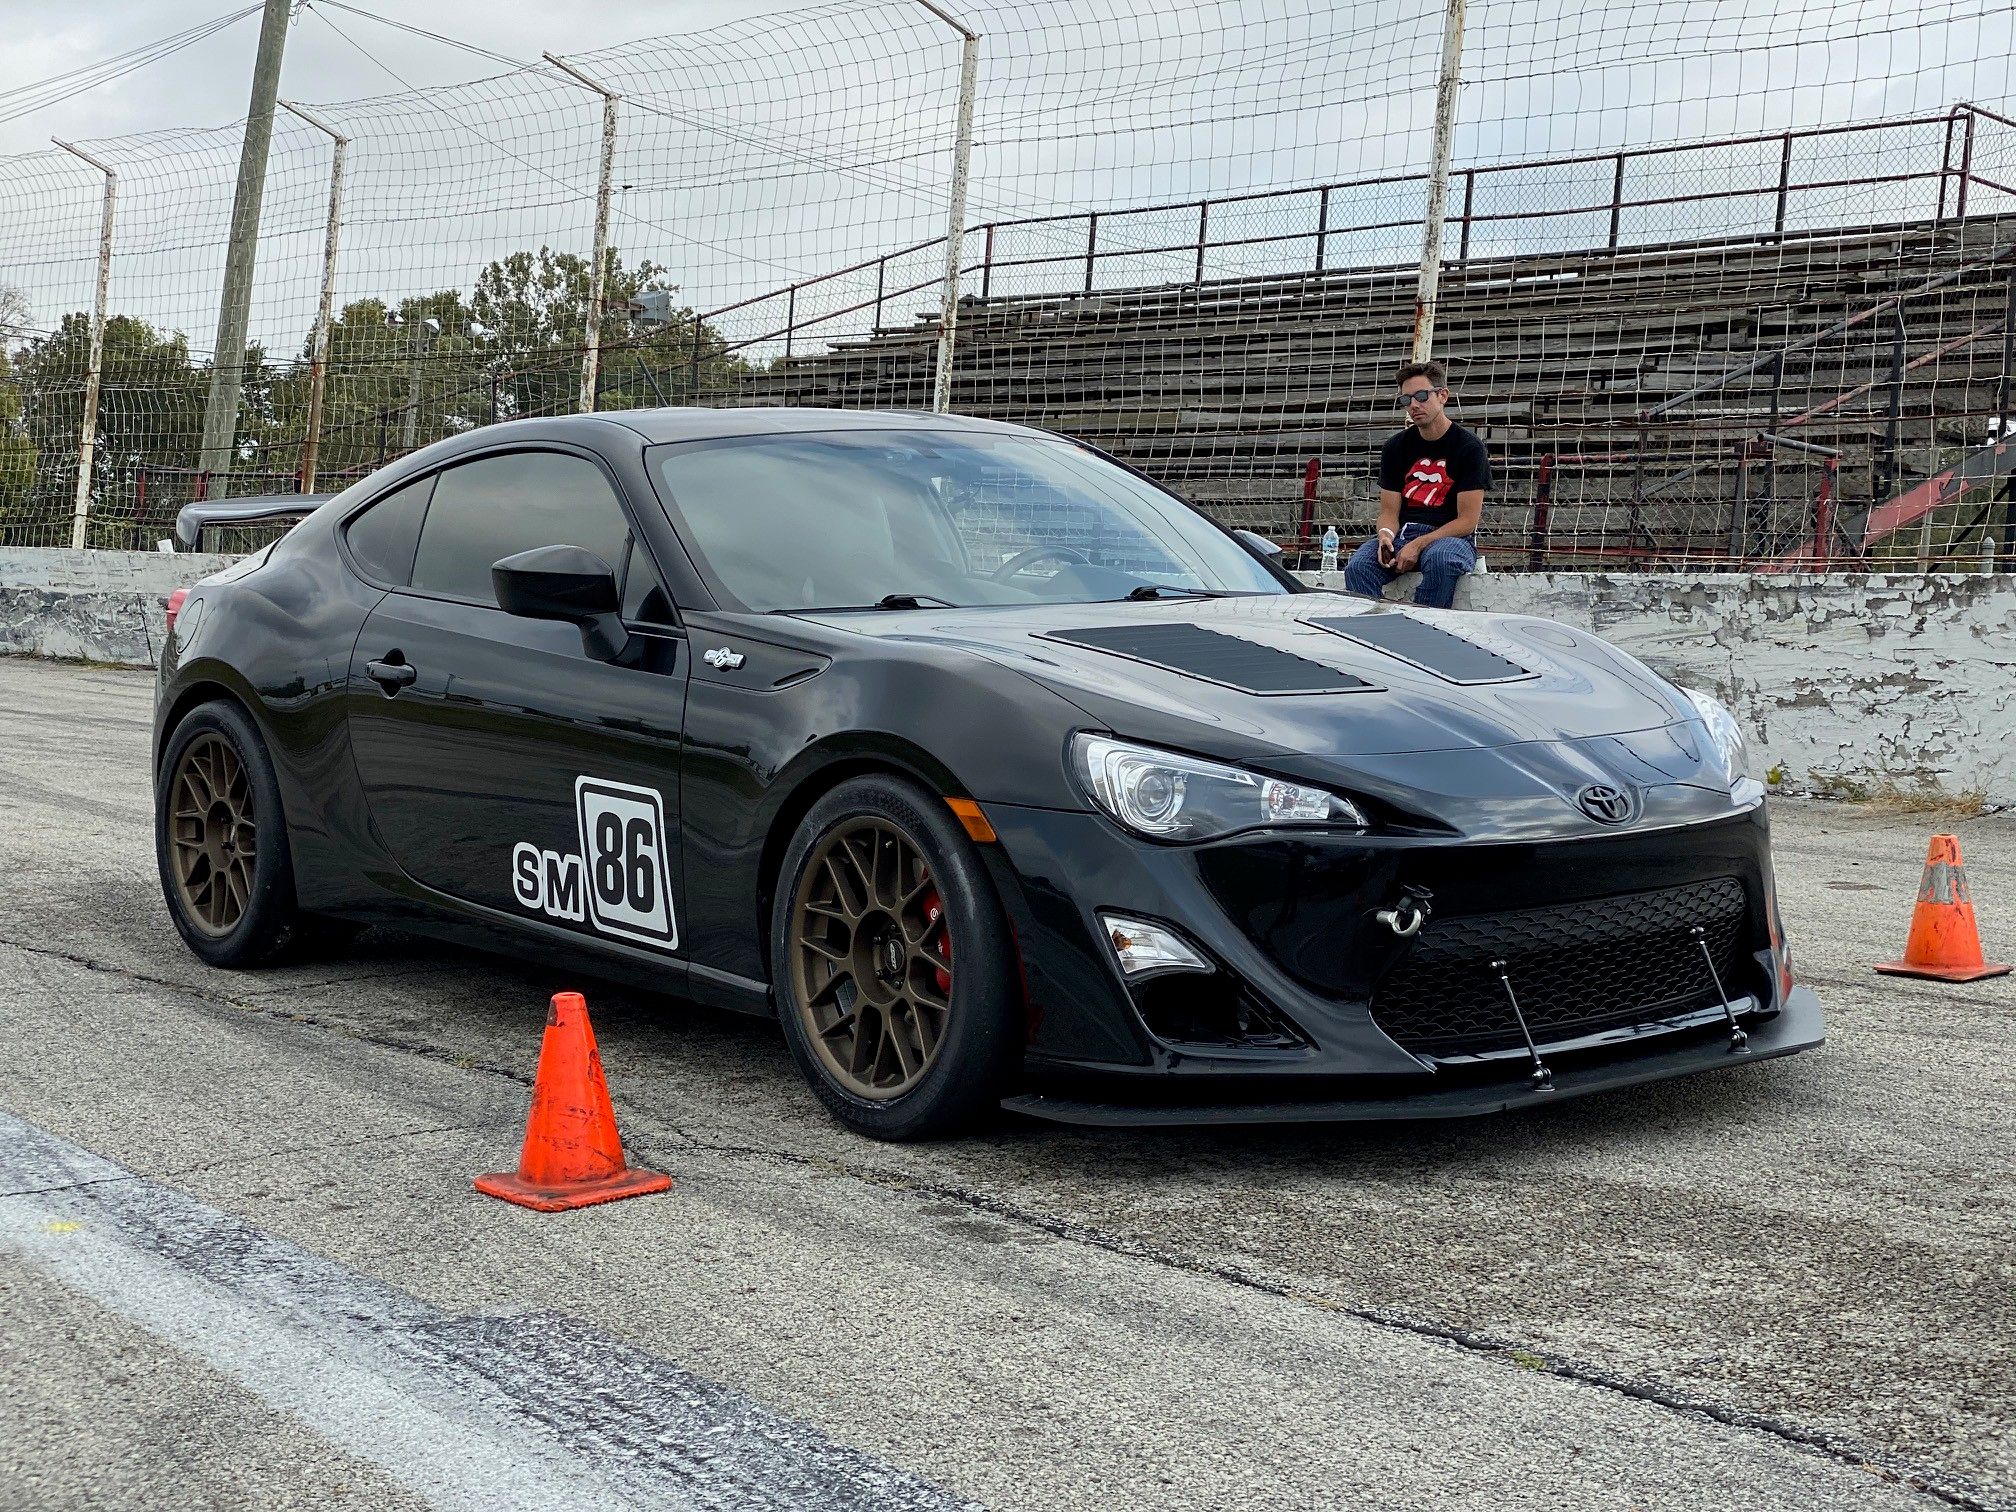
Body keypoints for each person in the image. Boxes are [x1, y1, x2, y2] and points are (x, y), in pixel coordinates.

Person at [1344, 360, 1490, 608]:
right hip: (1404, 534)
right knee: (1358, 567)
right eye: (1406, 400)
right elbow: (1388, 512)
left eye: (1421, 396)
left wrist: (1419, 544)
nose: (1413, 405)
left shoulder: (1469, 447)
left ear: (1442, 395)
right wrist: (1385, 537)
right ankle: (1374, 637)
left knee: (1441, 559)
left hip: (1451, 538)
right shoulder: (1396, 446)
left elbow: (1467, 521)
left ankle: (1426, 632)